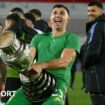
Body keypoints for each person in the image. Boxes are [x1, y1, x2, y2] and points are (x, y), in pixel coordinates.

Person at [6, 4, 80, 105]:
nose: (58, 15)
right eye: (55, 13)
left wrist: (41, 65)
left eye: (62, 13)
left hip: (57, 84)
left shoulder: (72, 38)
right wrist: (14, 60)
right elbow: (29, 60)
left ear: (68, 19)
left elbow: (65, 61)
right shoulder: (38, 38)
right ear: (51, 18)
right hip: (33, 84)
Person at [82, 1, 105, 105]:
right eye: (88, 11)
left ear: (101, 12)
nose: (90, 13)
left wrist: (85, 65)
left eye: (93, 10)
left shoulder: (97, 25)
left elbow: (92, 51)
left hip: (98, 74)